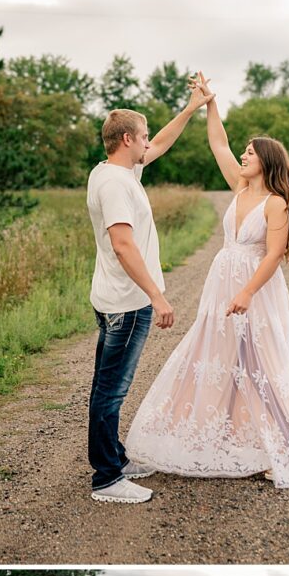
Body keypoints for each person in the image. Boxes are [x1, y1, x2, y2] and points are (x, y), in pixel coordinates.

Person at [124, 72, 289, 488]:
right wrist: (209, 104)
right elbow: (218, 143)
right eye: (244, 151)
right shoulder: (239, 189)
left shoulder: (276, 204)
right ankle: (233, 438)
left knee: (264, 364)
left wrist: (247, 292)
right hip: (221, 282)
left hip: (255, 289)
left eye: (251, 153)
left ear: (267, 162)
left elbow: (274, 255)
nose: (242, 155)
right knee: (223, 359)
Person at [87, 80, 213, 505]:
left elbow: (160, 144)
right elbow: (123, 244)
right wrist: (156, 295)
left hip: (117, 299)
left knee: (107, 386)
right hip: (127, 303)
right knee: (111, 390)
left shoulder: (116, 170)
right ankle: (106, 479)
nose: (147, 142)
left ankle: (114, 459)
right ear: (126, 139)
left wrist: (192, 107)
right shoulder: (115, 185)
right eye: (141, 136)